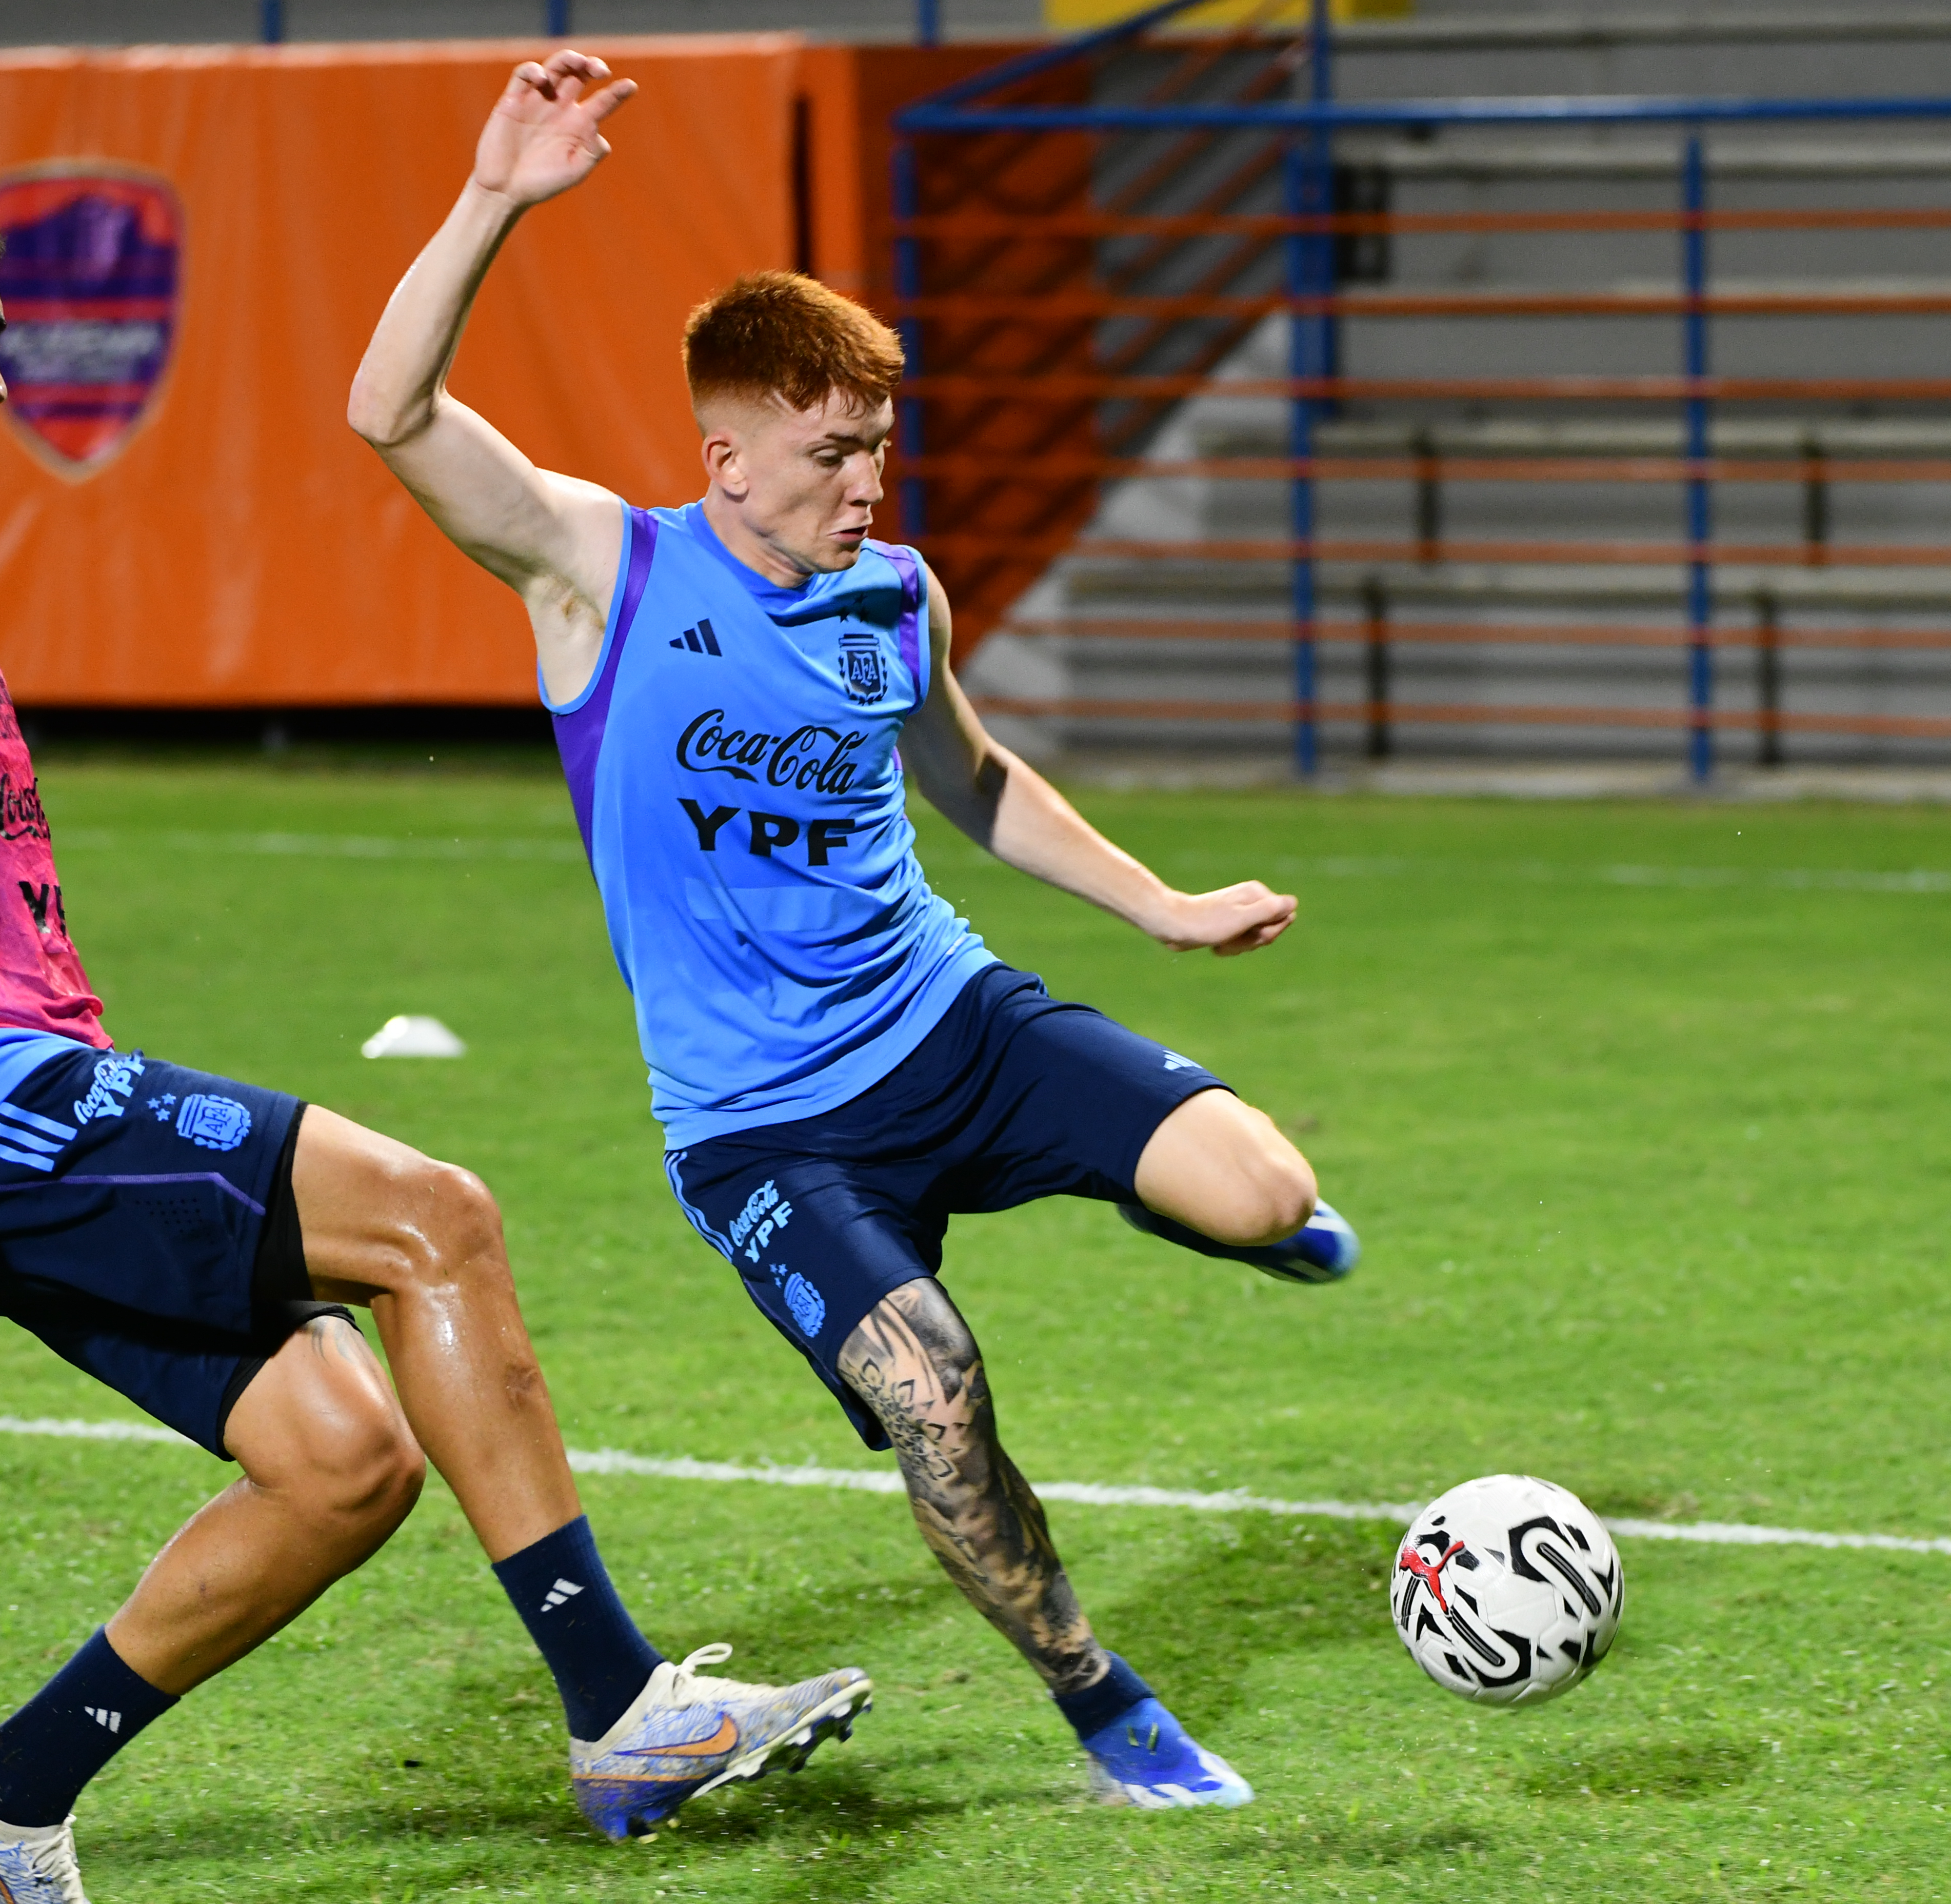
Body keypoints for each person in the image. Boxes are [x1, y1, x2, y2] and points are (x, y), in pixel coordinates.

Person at [0, 168, 870, 1896]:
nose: (4, 378)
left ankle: (0, 1798)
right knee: (438, 1219)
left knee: (343, 1465)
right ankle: (623, 1708)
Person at [351, 54, 1360, 1811]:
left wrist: (1164, 907)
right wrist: (497, 196)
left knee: (1266, 1193)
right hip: (765, 1129)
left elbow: (975, 781)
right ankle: (1106, 1703)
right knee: (935, 1394)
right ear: (725, 456)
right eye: (831, 454)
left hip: (950, 1023)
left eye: (881, 447)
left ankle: (1207, 1209)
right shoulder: (602, 572)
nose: (867, 484)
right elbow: (391, 411)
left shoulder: (892, 595)